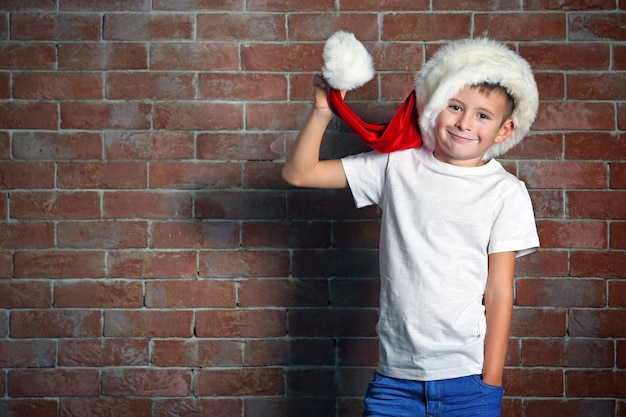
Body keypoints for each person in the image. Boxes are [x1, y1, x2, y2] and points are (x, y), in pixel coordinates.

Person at [282, 37, 540, 417]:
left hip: (467, 378)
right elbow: (299, 173)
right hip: (394, 380)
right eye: (455, 106)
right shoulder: (396, 165)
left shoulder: (506, 192)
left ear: (503, 130)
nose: (465, 123)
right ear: (435, 106)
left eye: (483, 115)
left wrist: (492, 380)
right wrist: (323, 110)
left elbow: (499, 290)